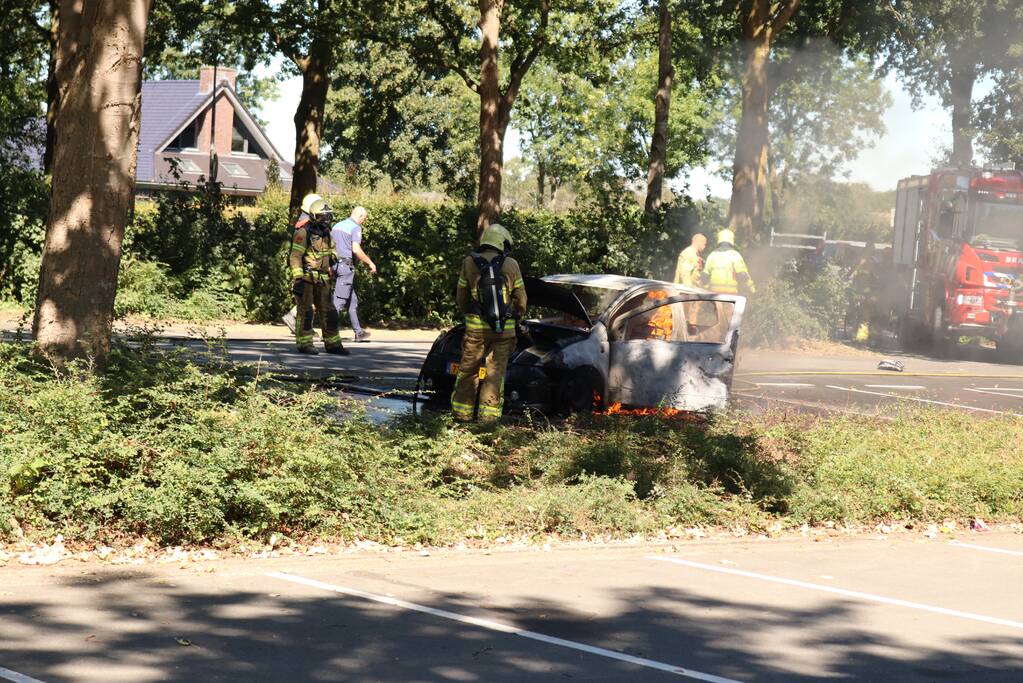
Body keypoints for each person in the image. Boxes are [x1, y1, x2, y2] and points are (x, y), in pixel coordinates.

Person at [451, 223, 527, 423]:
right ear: (502, 243)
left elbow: (461, 297)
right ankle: (488, 421)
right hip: (504, 333)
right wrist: (517, 315)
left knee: (468, 371)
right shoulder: (511, 264)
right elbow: (522, 300)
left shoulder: (469, 262)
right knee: (495, 375)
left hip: (476, 330)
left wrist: (471, 314)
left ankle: (461, 416)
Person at [287, 193, 347, 355]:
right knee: (306, 311)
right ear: (314, 216)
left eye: (328, 216)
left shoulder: (326, 233)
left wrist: (333, 259)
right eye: (322, 217)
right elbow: (295, 256)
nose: (326, 220)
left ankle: (333, 344)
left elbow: (333, 251)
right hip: (306, 278)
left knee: (329, 311)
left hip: (324, 278)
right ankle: (305, 344)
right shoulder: (303, 233)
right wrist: (298, 278)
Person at [332, 206, 376, 343]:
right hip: (346, 267)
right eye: (364, 218)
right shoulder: (355, 228)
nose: (364, 221)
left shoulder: (337, 226)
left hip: (334, 264)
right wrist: (370, 263)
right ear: (360, 216)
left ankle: (359, 333)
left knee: (352, 301)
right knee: (338, 302)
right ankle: (329, 333)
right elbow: (356, 250)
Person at [702, 229, 755, 296]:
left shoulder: (712, 255)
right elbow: (743, 275)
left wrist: (706, 289)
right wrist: (752, 289)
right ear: (732, 240)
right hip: (730, 296)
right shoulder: (735, 255)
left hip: (714, 297)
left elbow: (704, 277)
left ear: (719, 240)